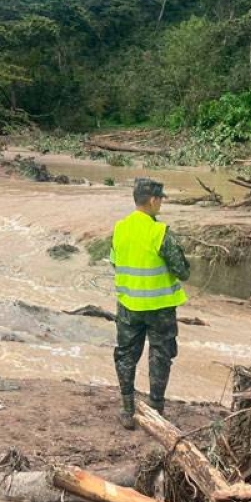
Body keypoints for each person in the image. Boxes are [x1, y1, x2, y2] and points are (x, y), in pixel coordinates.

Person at [110, 178, 190, 430]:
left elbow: (114, 262)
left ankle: (127, 409)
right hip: (160, 308)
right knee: (160, 355)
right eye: (161, 198)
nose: (162, 203)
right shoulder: (160, 232)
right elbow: (181, 270)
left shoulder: (120, 228)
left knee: (125, 355)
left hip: (128, 306)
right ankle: (156, 408)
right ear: (153, 200)